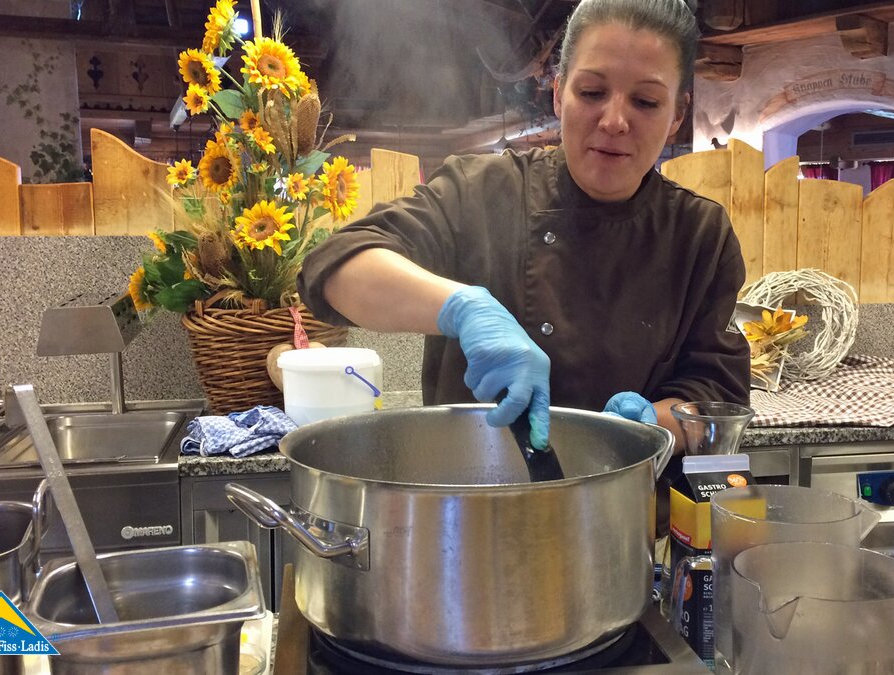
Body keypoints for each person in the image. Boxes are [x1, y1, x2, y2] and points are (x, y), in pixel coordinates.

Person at [297, 0, 750, 453]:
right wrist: (460, 308)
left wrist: (651, 423)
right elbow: (333, 269)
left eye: (646, 102)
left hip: (626, 487)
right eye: (591, 92)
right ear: (558, 93)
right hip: (469, 484)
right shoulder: (478, 190)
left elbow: (717, 393)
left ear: (677, 115)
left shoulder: (699, 234)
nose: (614, 121)